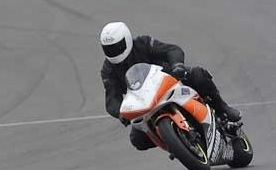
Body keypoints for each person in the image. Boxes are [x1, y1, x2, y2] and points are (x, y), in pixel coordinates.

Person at [99, 22, 241, 151]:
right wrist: (121, 113)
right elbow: (111, 99)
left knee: (198, 75)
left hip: (169, 82)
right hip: (145, 103)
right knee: (138, 140)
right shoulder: (108, 70)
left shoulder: (143, 43)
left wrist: (177, 65)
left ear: (127, 40)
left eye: (117, 47)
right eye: (109, 49)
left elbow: (172, 49)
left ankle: (223, 107)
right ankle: (176, 143)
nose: (114, 51)